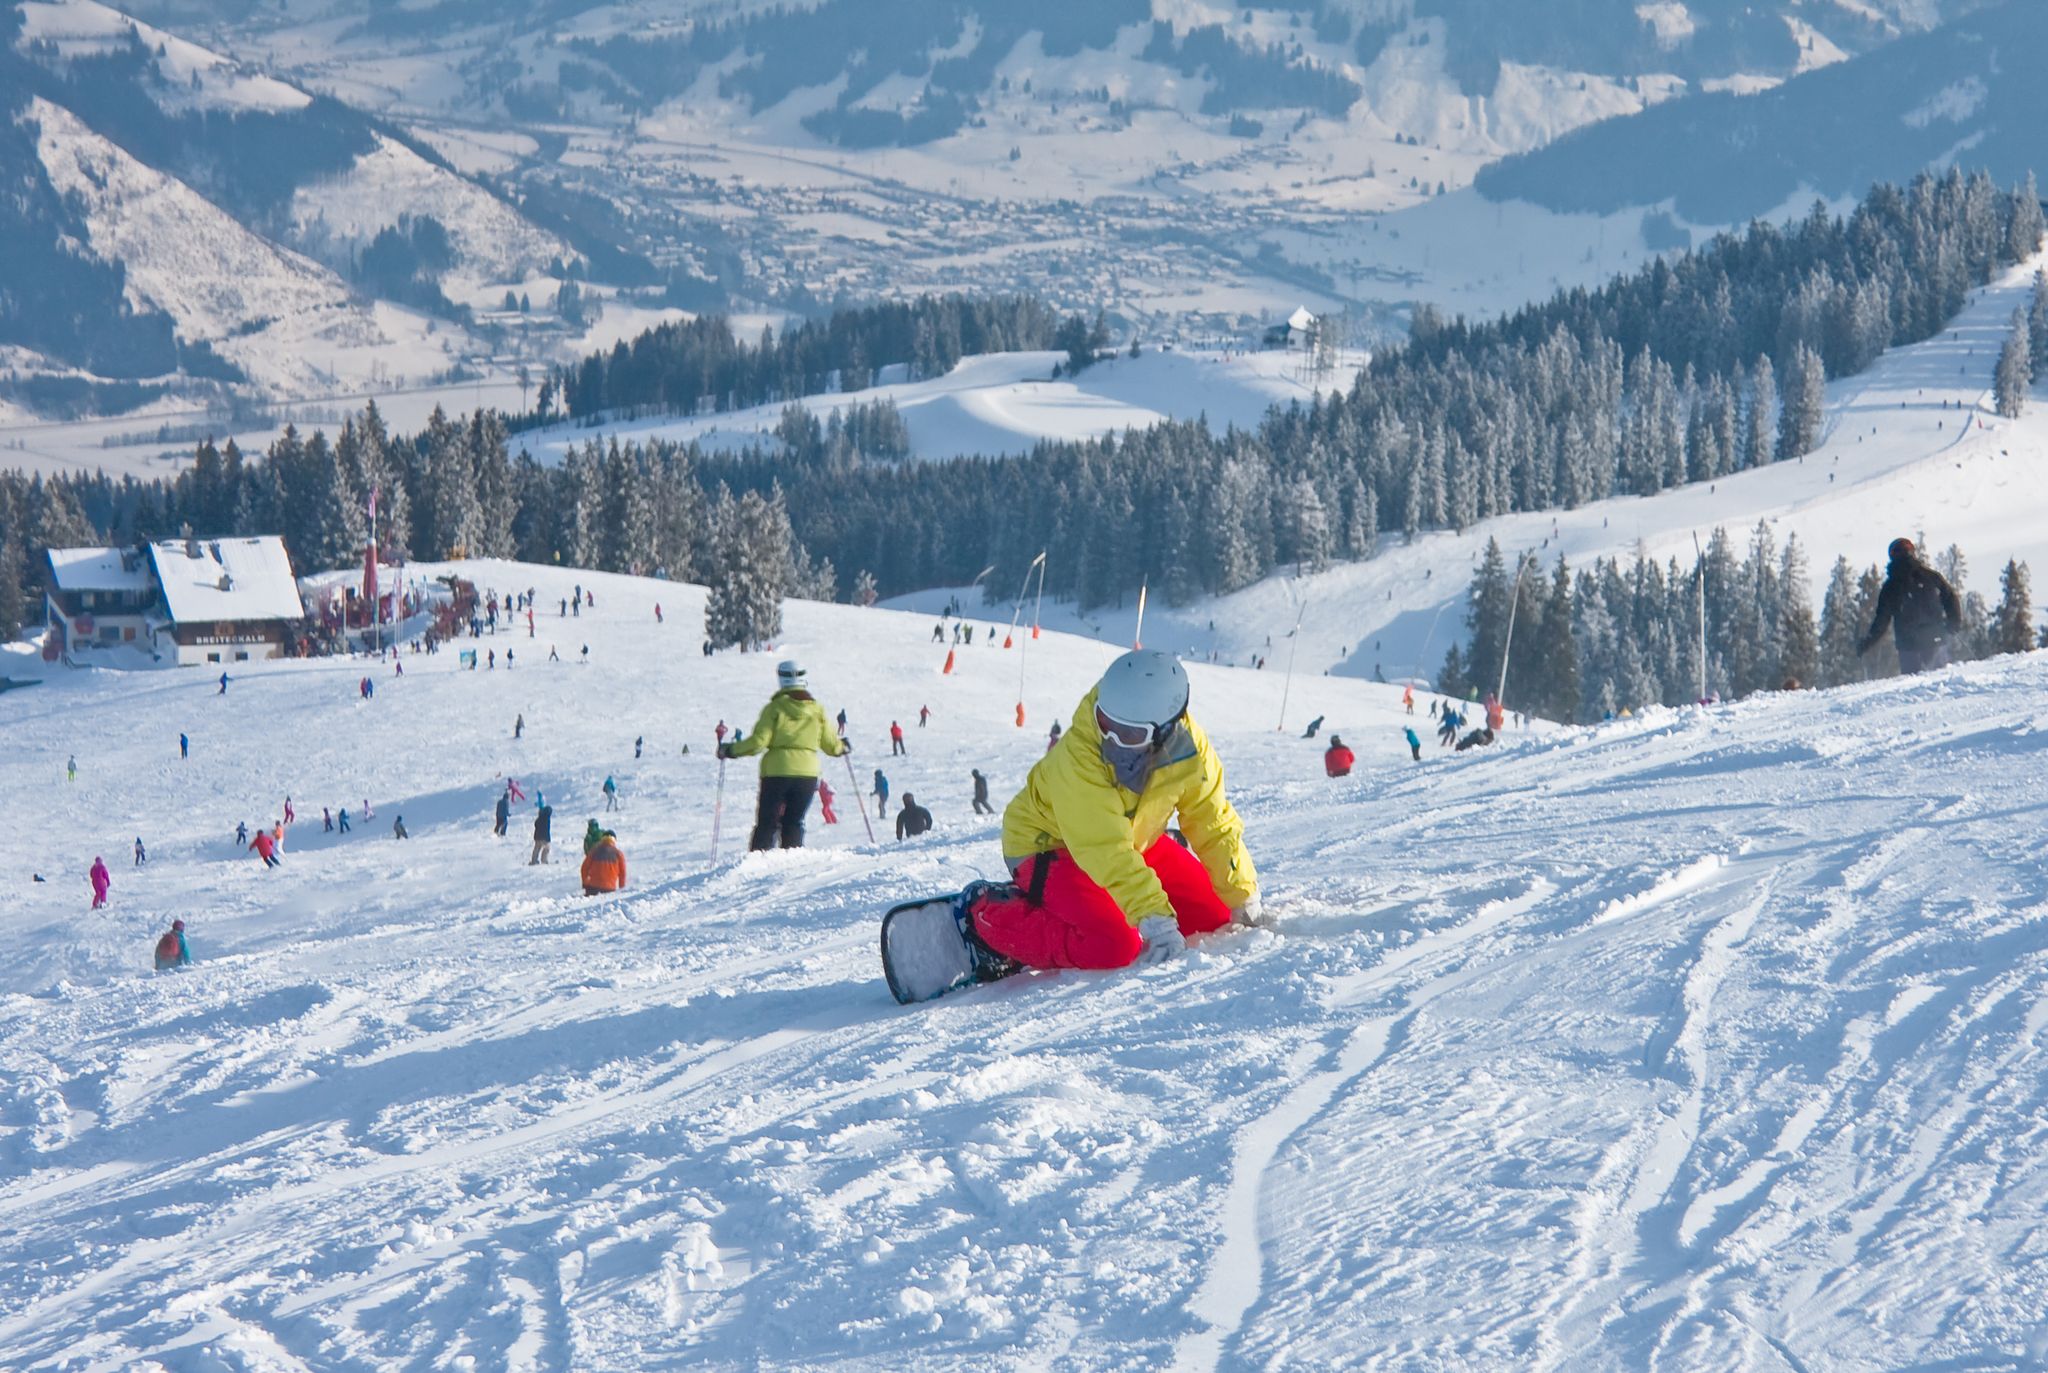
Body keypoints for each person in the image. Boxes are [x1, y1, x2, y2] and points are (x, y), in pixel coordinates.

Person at [964, 650, 1259, 974]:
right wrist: (1155, 920)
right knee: (1114, 945)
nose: (1110, 737)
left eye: (1129, 733)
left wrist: (1241, 895)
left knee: (1214, 916)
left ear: (1165, 729)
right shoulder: (1082, 756)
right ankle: (986, 916)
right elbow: (1104, 847)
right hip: (1049, 845)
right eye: (1105, 721)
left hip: (1130, 839)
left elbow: (1212, 822)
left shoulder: (1190, 752)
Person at [721, 661, 849, 851]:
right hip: (807, 774)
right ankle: (791, 864)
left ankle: (757, 862)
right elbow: (831, 746)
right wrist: (842, 747)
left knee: (768, 822)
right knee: (794, 821)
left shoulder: (774, 709)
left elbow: (758, 743)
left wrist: (731, 750)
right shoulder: (817, 710)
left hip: (776, 773)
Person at [1859, 537, 1964, 673]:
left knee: (1913, 687)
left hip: (1909, 645)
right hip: (1934, 638)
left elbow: (1882, 620)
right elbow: (1950, 598)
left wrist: (1868, 642)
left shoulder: (1890, 587)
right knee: (1940, 682)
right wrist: (1954, 623)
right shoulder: (1931, 577)